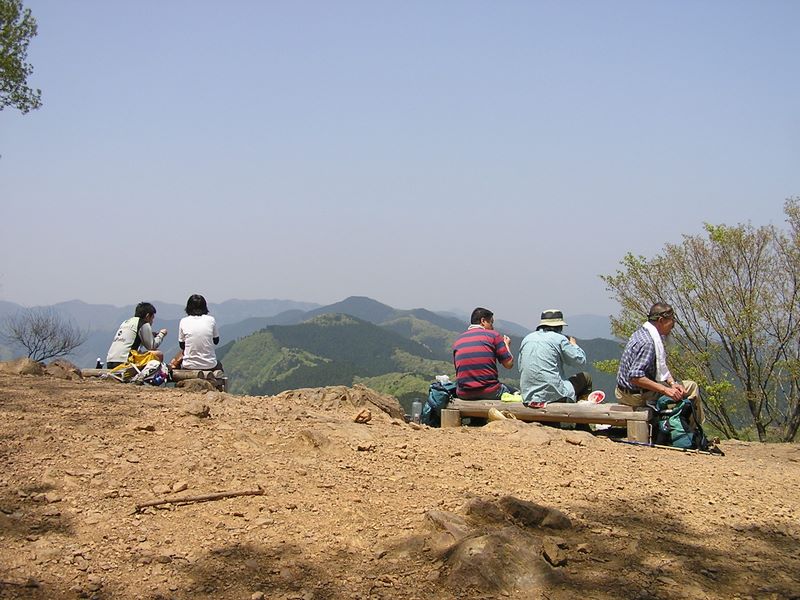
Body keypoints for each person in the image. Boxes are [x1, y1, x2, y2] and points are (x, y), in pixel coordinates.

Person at [616, 302, 704, 423]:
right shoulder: (648, 343)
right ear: (661, 320)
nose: (673, 324)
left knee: (680, 388)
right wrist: (665, 390)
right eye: (672, 320)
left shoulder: (644, 333)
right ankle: (693, 433)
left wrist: (672, 383)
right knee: (691, 387)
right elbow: (635, 377)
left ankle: (681, 428)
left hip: (625, 391)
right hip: (635, 396)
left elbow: (660, 365)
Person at [518, 309, 592, 407]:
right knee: (586, 378)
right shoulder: (560, 339)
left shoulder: (527, 339)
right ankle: (581, 420)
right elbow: (580, 362)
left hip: (528, 396)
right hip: (554, 396)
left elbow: (520, 367)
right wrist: (574, 345)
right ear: (559, 326)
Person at [452, 307, 514, 400]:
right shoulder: (493, 335)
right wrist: (506, 345)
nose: (492, 327)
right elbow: (509, 364)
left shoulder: (458, 340)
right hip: (490, 391)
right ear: (483, 321)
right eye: (491, 323)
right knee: (515, 393)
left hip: (463, 393)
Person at [106, 302, 167, 369]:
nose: (152, 321)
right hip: (125, 361)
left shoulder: (126, 322)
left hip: (110, 361)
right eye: (152, 318)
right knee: (158, 354)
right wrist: (161, 334)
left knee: (140, 352)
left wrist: (151, 335)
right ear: (147, 316)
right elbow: (152, 346)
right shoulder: (143, 323)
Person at [172, 294, 222, 371]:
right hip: (209, 364)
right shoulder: (211, 320)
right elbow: (216, 341)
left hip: (189, 365)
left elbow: (182, 345)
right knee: (219, 366)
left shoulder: (183, 321)